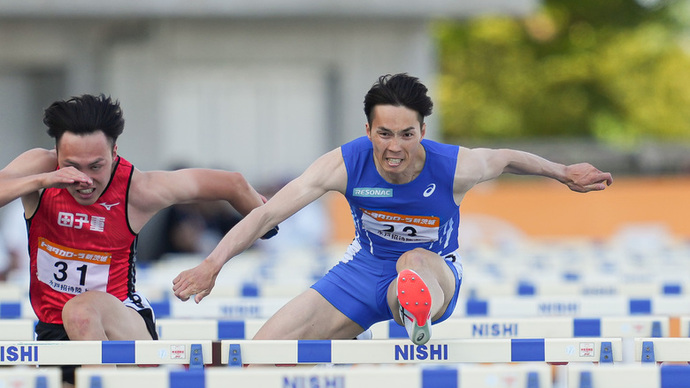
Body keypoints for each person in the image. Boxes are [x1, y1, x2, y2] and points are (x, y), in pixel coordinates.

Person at [172, 73, 613, 348]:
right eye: (384, 134)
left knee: (412, 263)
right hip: (362, 270)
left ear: (423, 130)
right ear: (368, 130)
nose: (394, 148)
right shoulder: (344, 164)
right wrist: (213, 264)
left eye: (406, 134)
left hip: (432, 271)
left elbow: (507, 157)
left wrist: (562, 172)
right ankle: (395, 307)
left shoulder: (455, 167)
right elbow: (267, 215)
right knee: (262, 355)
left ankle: (414, 309)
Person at [0, 94, 276, 386]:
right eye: (73, 167)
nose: (85, 180)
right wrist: (42, 181)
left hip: (123, 328)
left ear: (114, 153)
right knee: (75, 317)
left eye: (96, 167)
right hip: (54, 330)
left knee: (80, 310)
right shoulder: (39, 169)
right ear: (56, 155)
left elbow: (231, 183)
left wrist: (268, 223)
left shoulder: (137, 190)